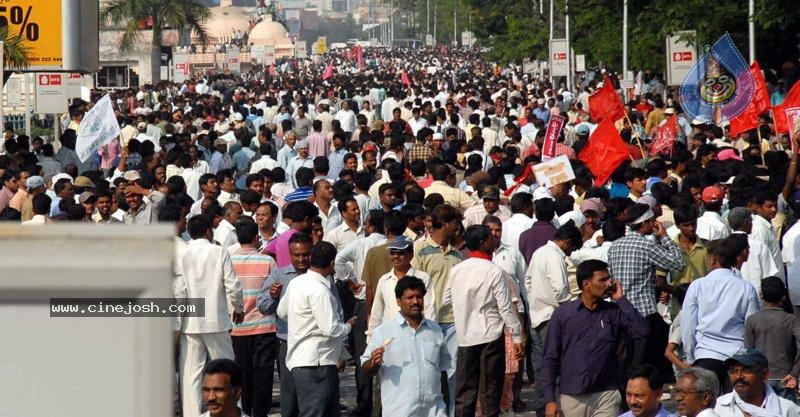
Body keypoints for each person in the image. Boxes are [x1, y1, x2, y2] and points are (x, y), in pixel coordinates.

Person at [541, 260, 648, 417]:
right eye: (603, 280)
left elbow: (642, 331)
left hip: (606, 394)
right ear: (586, 284)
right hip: (572, 395)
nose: (609, 283)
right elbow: (550, 357)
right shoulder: (564, 315)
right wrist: (550, 400)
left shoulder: (613, 312)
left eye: (609, 279)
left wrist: (621, 299)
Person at [443, 224, 524, 417]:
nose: (494, 240)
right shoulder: (494, 271)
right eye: (490, 237)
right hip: (490, 335)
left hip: (465, 336)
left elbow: (446, 299)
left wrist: (465, 302)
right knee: (490, 392)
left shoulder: (458, 269)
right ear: (482, 242)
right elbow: (505, 308)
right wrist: (517, 337)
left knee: (465, 392)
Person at [276, 241, 357, 417]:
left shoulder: (297, 283)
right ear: (331, 263)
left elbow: (282, 312)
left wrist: (303, 321)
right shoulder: (319, 290)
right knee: (315, 412)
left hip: (304, 359)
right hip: (317, 362)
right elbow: (331, 329)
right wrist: (349, 326)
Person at [178, 215, 245, 417]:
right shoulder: (219, 251)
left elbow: (178, 290)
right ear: (209, 231)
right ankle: (233, 411)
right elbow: (232, 284)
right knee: (228, 371)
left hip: (189, 321)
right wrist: (238, 307)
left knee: (190, 375)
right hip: (216, 319)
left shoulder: (183, 253)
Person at [607, 203, 684, 373]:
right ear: (644, 224)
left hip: (621, 309)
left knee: (627, 359)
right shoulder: (646, 246)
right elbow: (678, 263)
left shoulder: (615, 246)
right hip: (643, 311)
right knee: (643, 360)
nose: (655, 224)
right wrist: (664, 237)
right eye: (652, 222)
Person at [361, 276, 451, 417]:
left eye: (419, 297)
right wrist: (373, 362)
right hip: (400, 412)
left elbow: (443, 371)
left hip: (434, 411)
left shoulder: (435, 330)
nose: (415, 302)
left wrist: (446, 405)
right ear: (398, 301)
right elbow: (366, 368)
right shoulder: (384, 331)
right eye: (410, 298)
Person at [682, 237, 760, 393]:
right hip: (736, 358)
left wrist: (690, 357)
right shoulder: (746, 288)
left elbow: (688, 325)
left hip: (705, 356)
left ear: (713, 259)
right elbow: (752, 327)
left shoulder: (697, 286)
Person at [411, 204, 464, 416]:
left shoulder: (457, 255)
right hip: (428, 321)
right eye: (455, 225)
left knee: (452, 373)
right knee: (429, 371)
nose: (458, 229)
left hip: (452, 321)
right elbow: (413, 286)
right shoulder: (420, 250)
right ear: (446, 224)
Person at [256, 232, 312, 417]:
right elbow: (263, 306)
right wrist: (272, 296)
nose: (302, 259)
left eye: (305, 254)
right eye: (297, 255)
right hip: (288, 343)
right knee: (290, 397)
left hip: (315, 344)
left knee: (313, 398)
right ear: (290, 254)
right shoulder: (279, 275)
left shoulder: (320, 275)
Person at [229, 217, 278, 417]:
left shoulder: (229, 260)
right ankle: (260, 412)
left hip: (238, 327)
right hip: (265, 326)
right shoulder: (267, 261)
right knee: (263, 373)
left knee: (242, 373)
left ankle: (244, 410)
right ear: (256, 237)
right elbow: (276, 290)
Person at [368, 236, 436, 337]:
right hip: (390, 337)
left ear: (411, 254)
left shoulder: (423, 278)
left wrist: (429, 335)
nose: (395, 256)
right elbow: (376, 313)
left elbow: (430, 309)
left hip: (416, 334)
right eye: (392, 253)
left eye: (400, 253)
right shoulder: (384, 280)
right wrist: (371, 339)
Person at [744, 277, 800, 400]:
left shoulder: (752, 320)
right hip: (785, 377)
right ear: (784, 297)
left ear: (761, 295)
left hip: (761, 377)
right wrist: (794, 373)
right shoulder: (791, 320)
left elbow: (748, 351)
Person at [715, 349, 800, 417]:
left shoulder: (787, 409)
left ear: (764, 375)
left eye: (746, 371)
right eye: (733, 371)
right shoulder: (718, 407)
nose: (738, 376)